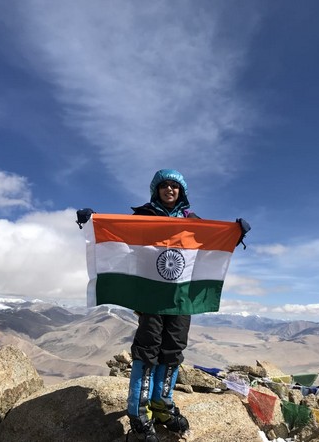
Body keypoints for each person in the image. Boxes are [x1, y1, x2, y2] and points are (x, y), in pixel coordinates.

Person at [126, 169, 198, 441]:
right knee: (148, 350)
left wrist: (235, 233)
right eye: (164, 186)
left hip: (181, 297)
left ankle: (162, 406)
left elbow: (213, 246)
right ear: (156, 190)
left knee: (173, 349)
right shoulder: (144, 216)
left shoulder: (194, 222)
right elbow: (117, 232)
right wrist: (93, 220)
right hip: (151, 295)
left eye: (175, 186)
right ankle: (138, 414)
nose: (170, 190)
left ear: (182, 191)